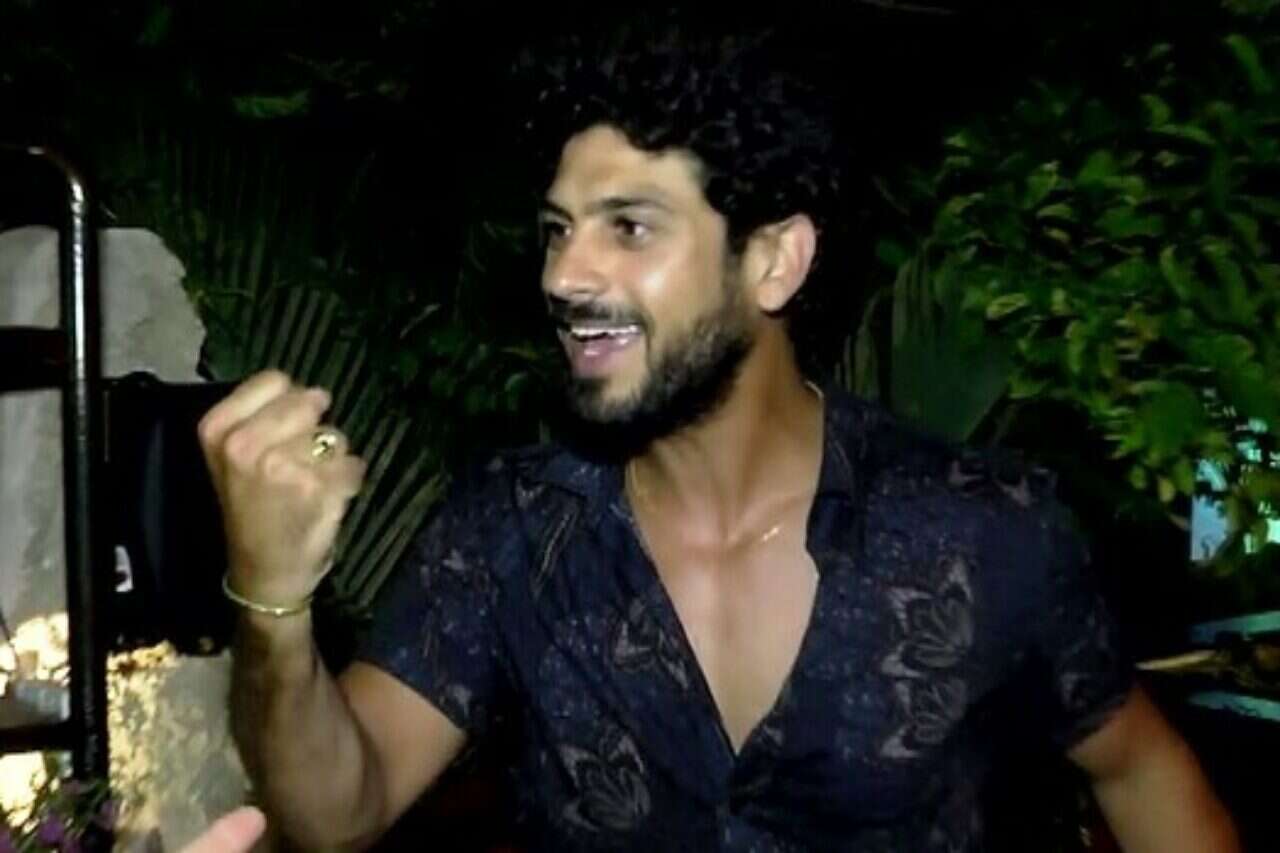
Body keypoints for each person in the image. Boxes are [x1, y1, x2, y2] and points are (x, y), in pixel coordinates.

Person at [198, 20, 1240, 852]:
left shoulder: (980, 528)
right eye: (558, 230)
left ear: (773, 262)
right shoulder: (510, 529)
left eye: (630, 226)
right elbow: (340, 815)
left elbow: (1137, 766)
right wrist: (273, 599)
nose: (565, 275)